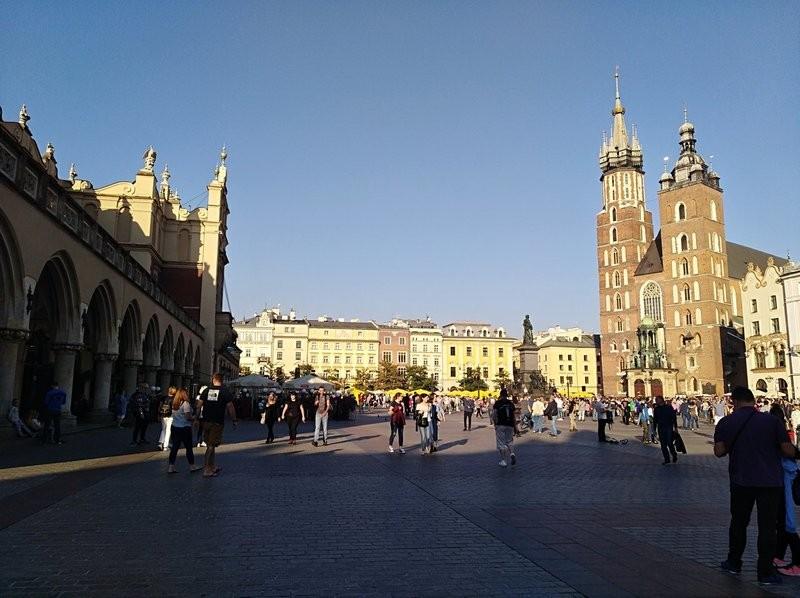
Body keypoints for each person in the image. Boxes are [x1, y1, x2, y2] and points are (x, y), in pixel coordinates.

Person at [715, 386, 795, 585]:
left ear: (733, 401)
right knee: (768, 528)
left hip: (741, 480)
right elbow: (787, 450)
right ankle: (765, 572)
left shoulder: (726, 422)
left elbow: (718, 451)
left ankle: (734, 562)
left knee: (738, 523)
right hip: (770, 481)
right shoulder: (771, 421)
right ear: (753, 400)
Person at [768, 405, 800, 576]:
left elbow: (792, 452)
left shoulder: (777, 434)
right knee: (782, 521)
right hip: (783, 477)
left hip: (784, 478)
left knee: (787, 522)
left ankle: (798, 564)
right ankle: (778, 557)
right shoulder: (782, 432)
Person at [195, 373, 238, 478]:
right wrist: (234, 420)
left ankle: (212, 466)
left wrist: (196, 418)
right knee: (210, 446)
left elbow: (199, 405)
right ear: (222, 380)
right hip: (217, 422)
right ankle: (206, 469)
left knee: (211, 444)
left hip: (206, 421)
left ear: (213, 379)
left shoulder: (206, 391)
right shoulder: (224, 392)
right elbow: (230, 407)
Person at [167, 388, 202, 474]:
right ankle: (192, 466)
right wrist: (194, 417)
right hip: (184, 428)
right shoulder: (185, 404)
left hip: (175, 426)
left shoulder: (175, 403)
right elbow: (188, 417)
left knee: (175, 447)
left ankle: (171, 467)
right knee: (189, 448)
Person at [492, 388, 516, 467]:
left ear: (501, 395)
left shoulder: (498, 403)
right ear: (507, 395)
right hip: (510, 425)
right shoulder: (510, 403)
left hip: (501, 424)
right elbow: (514, 416)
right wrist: (515, 426)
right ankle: (512, 454)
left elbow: (494, 414)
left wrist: (495, 424)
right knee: (509, 441)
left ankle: (504, 461)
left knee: (501, 443)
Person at [653, 396, 678, 465]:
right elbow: (655, 420)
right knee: (663, 445)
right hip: (660, 428)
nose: (656, 401)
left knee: (670, 443)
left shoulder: (669, 407)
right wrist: (654, 429)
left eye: (657, 400)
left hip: (668, 427)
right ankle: (667, 459)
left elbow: (673, 418)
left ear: (661, 400)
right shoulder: (656, 409)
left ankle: (674, 454)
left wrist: (675, 428)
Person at [157, 386, 176, 451]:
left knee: (163, 429)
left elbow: (159, 406)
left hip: (163, 415)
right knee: (168, 430)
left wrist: (159, 414)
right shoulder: (174, 399)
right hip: (171, 416)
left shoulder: (163, 398)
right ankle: (166, 445)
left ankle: (160, 443)